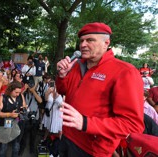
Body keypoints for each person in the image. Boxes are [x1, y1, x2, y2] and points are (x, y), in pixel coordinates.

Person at [56, 22, 144, 156]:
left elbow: (132, 124)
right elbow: (63, 91)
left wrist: (86, 123)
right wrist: (62, 76)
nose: (83, 44)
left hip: (92, 149)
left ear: (106, 43)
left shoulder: (125, 72)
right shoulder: (76, 65)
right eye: (82, 41)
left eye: (90, 40)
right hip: (67, 137)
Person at [0, 81, 27, 157]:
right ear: (10, 90)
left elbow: (24, 106)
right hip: (5, 125)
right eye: (16, 92)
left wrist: (23, 109)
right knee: (3, 146)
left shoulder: (20, 96)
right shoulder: (3, 98)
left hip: (17, 124)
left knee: (16, 146)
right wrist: (10, 114)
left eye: (19, 92)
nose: (18, 94)